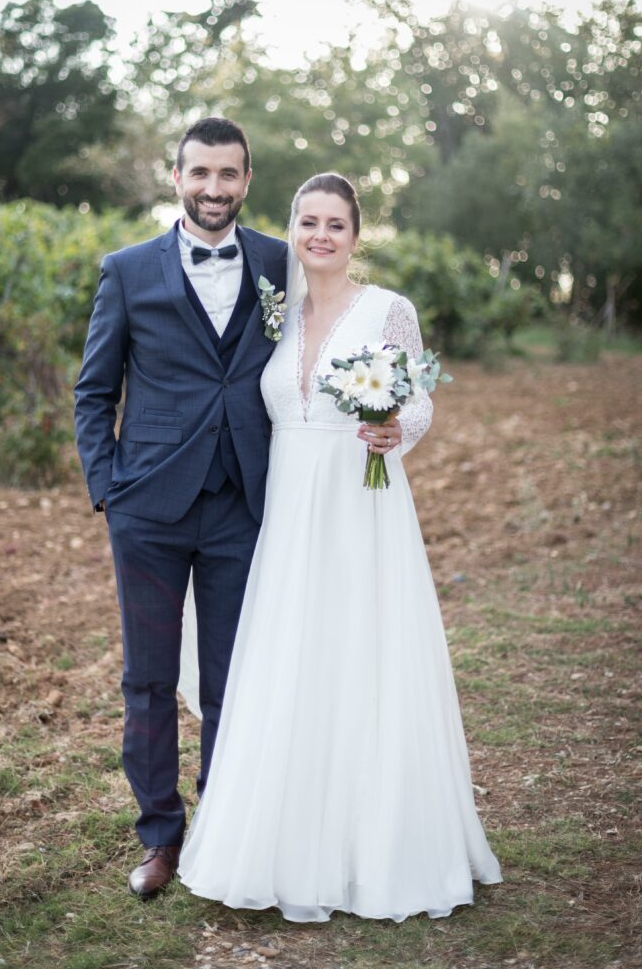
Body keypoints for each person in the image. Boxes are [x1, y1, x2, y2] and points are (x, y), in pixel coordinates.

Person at [73, 122, 391, 899]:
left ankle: (224, 825)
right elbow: (93, 390)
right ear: (176, 176)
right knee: (147, 680)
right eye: (200, 173)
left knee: (234, 678)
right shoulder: (125, 271)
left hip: (244, 505)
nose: (214, 188)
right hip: (146, 507)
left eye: (229, 175)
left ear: (248, 181)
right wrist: (107, 486)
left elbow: (341, 329)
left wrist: (391, 413)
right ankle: (159, 837)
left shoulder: (281, 262)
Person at [177, 173, 503, 922]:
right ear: (291, 229)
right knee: (292, 658)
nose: (321, 235)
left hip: (361, 506)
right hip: (287, 513)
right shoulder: (272, 313)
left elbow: (416, 396)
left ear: (356, 236)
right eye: (308, 222)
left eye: (336, 224)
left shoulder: (388, 310)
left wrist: (400, 427)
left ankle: (379, 850)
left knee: (364, 653)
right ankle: (282, 844)